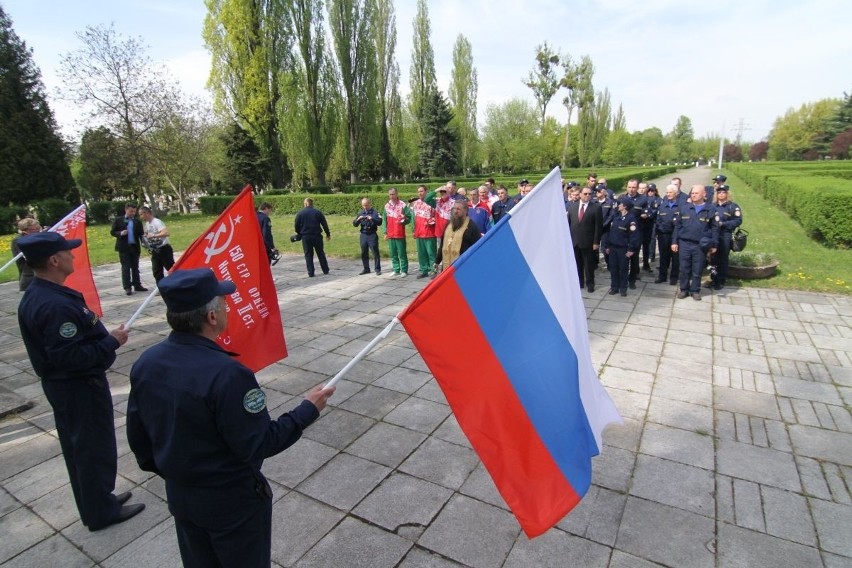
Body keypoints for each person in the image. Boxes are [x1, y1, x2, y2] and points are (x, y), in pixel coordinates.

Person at [127, 268, 334, 567]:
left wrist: (177, 474)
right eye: (224, 304)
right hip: (231, 502)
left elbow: (139, 439)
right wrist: (307, 410)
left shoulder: (147, 362)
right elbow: (259, 442)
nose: (227, 309)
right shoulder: (228, 374)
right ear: (211, 317)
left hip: (182, 495)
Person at [16, 232, 142, 531]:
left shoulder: (45, 293)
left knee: (85, 447)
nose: (73, 256)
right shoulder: (53, 305)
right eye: (68, 252)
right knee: (90, 449)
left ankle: (98, 499)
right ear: (54, 260)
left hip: (70, 387)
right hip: (77, 388)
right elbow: (69, 358)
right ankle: (100, 511)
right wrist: (110, 343)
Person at [673, 185, 718, 301]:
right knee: (684, 268)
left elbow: (715, 228)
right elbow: (677, 226)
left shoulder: (710, 209)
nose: (693, 195)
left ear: (704, 195)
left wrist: (714, 244)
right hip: (684, 243)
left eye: (696, 193)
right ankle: (684, 289)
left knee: (697, 269)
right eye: (692, 193)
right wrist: (674, 242)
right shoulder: (684, 208)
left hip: (700, 245)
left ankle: (695, 290)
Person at [568, 186, 603, 293]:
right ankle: (580, 282)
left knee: (588, 265)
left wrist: (596, 242)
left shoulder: (596, 207)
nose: (587, 195)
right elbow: (569, 224)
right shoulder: (572, 207)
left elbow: (598, 226)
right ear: (580, 194)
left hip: (588, 242)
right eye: (585, 193)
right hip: (575, 241)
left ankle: (590, 283)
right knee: (577, 264)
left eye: (589, 194)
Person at [709, 184, 743, 290]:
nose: (721, 194)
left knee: (723, 258)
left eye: (723, 192)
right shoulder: (713, 205)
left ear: (727, 194)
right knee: (713, 258)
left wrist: (724, 224)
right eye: (719, 192)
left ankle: (721, 280)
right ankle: (713, 279)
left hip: (725, 235)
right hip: (713, 234)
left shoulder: (732, 206)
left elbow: (738, 220)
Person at [110, 202, 148, 295]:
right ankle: (127, 287)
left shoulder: (137, 221)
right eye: (131, 211)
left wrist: (144, 242)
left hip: (134, 247)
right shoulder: (118, 220)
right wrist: (120, 233)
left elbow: (141, 234)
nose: (133, 213)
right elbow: (112, 232)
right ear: (126, 210)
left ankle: (137, 285)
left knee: (135, 267)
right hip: (124, 247)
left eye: (134, 212)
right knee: (126, 268)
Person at [606, 199, 640, 296]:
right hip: (613, 248)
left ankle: (623, 288)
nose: (618, 205)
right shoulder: (617, 217)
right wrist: (608, 246)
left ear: (624, 206)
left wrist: (631, 249)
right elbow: (611, 233)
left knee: (623, 269)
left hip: (623, 248)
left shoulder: (631, 219)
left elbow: (634, 235)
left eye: (620, 204)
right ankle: (614, 287)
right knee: (613, 268)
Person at [435, 199, 481, 271]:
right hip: (446, 267)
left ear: (465, 211)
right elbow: (442, 244)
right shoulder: (448, 224)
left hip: (463, 267)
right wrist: (437, 261)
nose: (455, 211)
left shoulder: (472, 227)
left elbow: (477, 249)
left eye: (458, 209)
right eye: (454, 209)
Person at [294, 198, 331, 277]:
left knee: (308, 254)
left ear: (305, 204)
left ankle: (311, 272)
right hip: (317, 236)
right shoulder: (317, 212)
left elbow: (296, 225)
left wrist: (299, 233)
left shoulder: (300, 213)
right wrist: (328, 234)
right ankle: (325, 270)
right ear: (312, 204)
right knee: (320, 253)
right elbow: (324, 224)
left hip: (306, 236)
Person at [139, 206, 175, 283]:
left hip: (164, 249)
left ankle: (177, 284)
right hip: (155, 249)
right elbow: (148, 234)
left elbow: (166, 233)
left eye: (141, 214)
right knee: (156, 270)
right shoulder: (147, 224)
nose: (140, 216)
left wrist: (154, 235)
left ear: (147, 213)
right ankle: (161, 287)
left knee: (170, 268)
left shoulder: (157, 222)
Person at [382, 187, 412, 277]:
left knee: (402, 253)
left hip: (399, 233)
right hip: (390, 234)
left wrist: (404, 219)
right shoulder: (386, 206)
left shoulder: (402, 205)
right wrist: (385, 232)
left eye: (393, 194)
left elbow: (409, 217)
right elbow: (384, 219)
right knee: (393, 253)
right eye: (390, 194)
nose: (391, 196)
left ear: (397, 194)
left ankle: (404, 270)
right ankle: (396, 269)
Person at [655, 184, 681, 285]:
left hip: (675, 235)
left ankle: (674, 277)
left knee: (675, 257)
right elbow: (658, 220)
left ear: (676, 193)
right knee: (663, 256)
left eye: (670, 192)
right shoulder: (662, 205)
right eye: (667, 192)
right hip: (663, 235)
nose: (668, 194)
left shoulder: (681, 206)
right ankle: (662, 276)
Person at [410, 186, 437, 278]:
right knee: (421, 253)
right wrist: (413, 229)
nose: (419, 193)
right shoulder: (416, 203)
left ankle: (433, 270)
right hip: (419, 232)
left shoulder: (432, 201)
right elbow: (413, 217)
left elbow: (437, 214)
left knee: (431, 253)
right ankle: (423, 270)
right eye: (418, 191)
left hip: (429, 232)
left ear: (426, 192)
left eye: (421, 191)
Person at [352, 197, 382, 275]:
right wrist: (358, 219)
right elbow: (355, 224)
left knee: (375, 252)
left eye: (366, 205)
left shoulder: (375, 212)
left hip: (372, 234)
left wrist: (372, 218)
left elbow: (379, 222)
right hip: (363, 234)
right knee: (364, 252)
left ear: (369, 204)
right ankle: (366, 268)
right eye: (363, 205)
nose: (365, 207)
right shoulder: (361, 212)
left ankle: (377, 269)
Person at [11, 217, 41, 291]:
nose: (37, 231)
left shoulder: (37, 238)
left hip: (41, 278)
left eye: (38, 229)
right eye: (34, 230)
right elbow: (29, 256)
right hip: (29, 279)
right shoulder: (18, 241)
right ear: (24, 231)